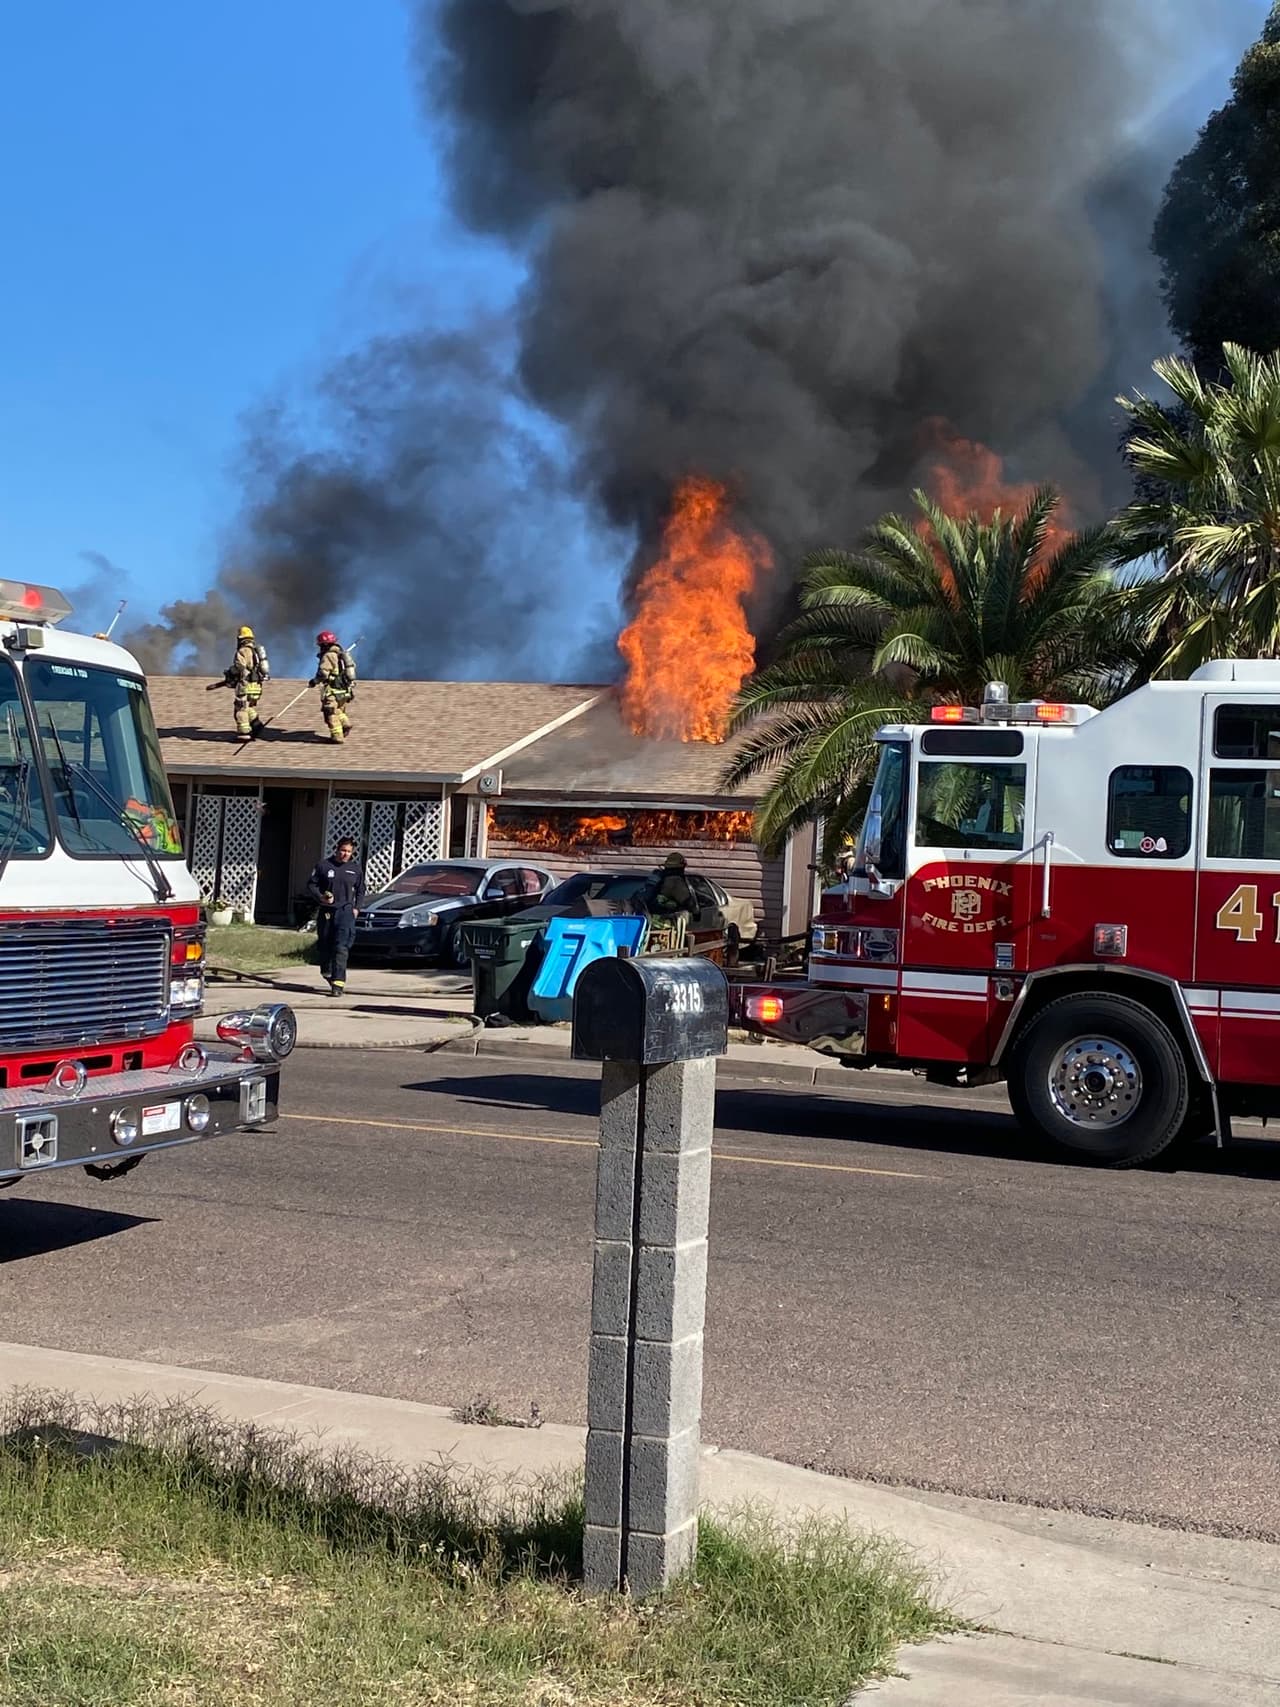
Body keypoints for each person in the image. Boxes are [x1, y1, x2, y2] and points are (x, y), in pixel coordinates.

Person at [306, 835, 365, 996]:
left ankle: (338, 984)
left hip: (345, 912)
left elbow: (360, 890)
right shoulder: (324, 866)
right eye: (343, 850)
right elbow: (311, 885)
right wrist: (321, 897)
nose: (345, 854)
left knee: (341, 947)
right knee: (325, 945)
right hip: (327, 912)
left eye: (348, 852)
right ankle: (327, 972)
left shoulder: (355, 869)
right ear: (337, 849)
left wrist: (357, 908)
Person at [224, 625, 270, 738]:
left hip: (245, 684)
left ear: (240, 639)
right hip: (256, 686)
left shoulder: (243, 651)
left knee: (240, 708)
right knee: (247, 707)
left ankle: (244, 733)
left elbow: (240, 666)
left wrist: (230, 672)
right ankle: (256, 724)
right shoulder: (256, 652)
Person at [311, 631, 356, 743]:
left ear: (324, 644)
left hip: (332, 691)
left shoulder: (328, 656)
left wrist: (314, 681)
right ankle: (346, 723)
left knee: (330, 712)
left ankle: (337, 736)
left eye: (321, 644)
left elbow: (323, 673)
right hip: (345, 691)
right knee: (338, 710)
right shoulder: (342, 655)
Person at [652, 851, 695, 917]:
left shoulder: (659, 877)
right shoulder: (675, 881)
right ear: (680, 868)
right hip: (667, 920)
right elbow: (688, 903)